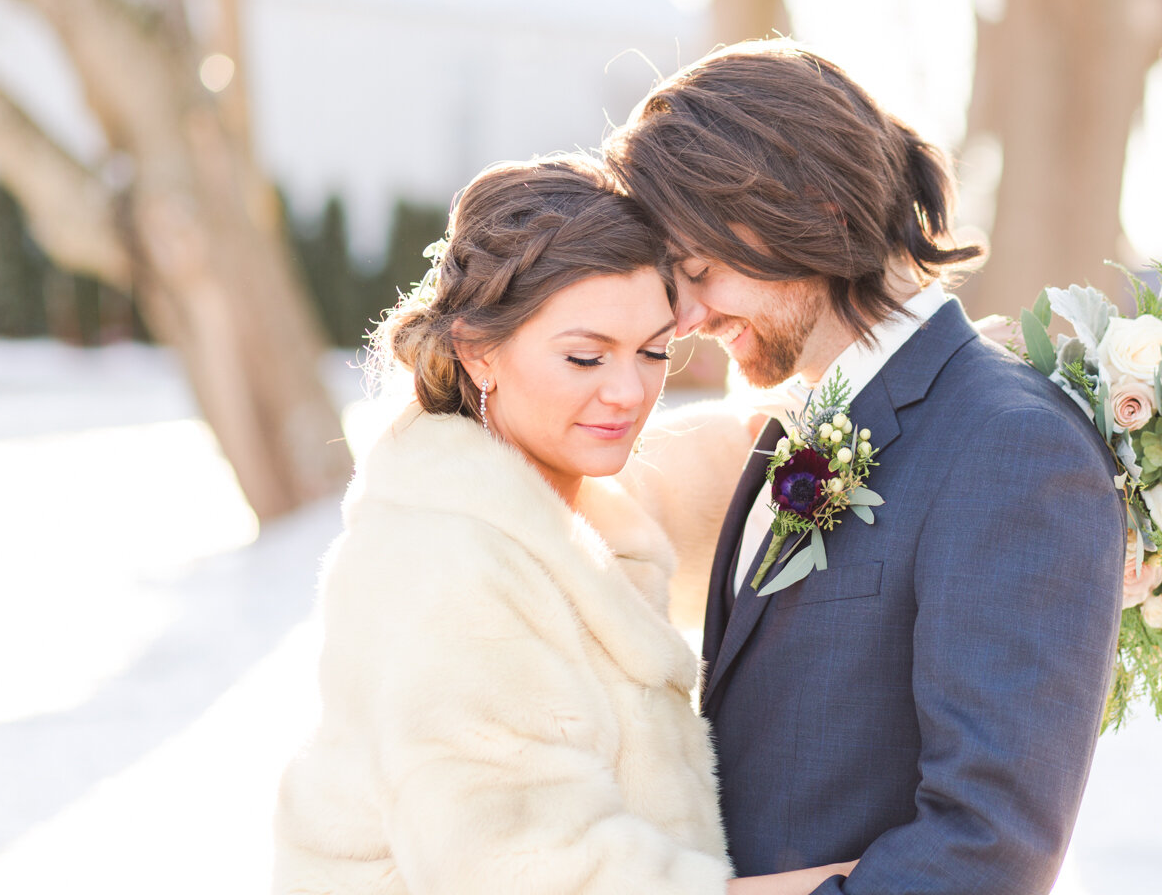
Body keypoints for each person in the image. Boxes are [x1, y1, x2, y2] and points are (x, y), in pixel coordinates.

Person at [604, 40, 1126, 895]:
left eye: (700, 270)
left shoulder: (1013, 447)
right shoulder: (796, 429)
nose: (688, 315)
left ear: (811, 208)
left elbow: (988, 851)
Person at [270, 155, 854, 895]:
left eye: (653, 353)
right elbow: (536, 875)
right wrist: (876, 882)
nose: (628, 392)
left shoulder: (562, 493)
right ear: (479, 350)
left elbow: (724, 460)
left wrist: (923, 381)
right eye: (585, 357)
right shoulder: (442, 564)